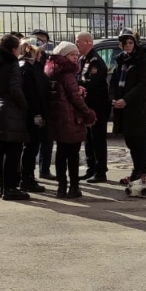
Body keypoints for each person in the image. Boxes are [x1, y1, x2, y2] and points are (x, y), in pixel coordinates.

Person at [45, 41, 98, 198]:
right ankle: (74, 187)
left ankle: (61, 188)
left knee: (61, 153)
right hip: (70, 118)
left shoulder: (51, 70)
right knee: (73, 155)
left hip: (57, 118)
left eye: (76, 54)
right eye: (72, 54)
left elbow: (62, 92)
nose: (76, 57)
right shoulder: (67, 73)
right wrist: (88, 113)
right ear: (63, 55)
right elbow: (74, 97)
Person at [0, 33, 30, 201]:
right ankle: (10, 189)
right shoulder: (12, 64)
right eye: (19, 48)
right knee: (13, 153)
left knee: (2, 152)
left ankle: (4, 188)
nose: (20, 52)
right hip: (11, 111)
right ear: (13, 49)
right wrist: (25, 107)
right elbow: (16, 89)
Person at [108, 28, 146, 185]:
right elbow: (114, 82)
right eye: (124, 43)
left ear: (135, 43)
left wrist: (126, 100)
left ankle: (144, 174)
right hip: (123, 108)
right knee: (130, 141)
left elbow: (144, 85)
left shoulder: (143, 61)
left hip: (137, 108)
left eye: (130, 42)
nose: (127, 45)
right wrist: (113, 98)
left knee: (139, 141)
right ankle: (136, 171)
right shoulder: (120, 60)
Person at [75, 31, 110, 183]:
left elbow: (91, 83)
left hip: (97, 105)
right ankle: (91, 168)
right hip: (87, 105)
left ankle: (100, 171)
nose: (76, 44)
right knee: (88, 138)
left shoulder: (95, 61)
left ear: (88, 42)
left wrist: (77, 87)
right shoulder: (83, 59)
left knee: (98, 138)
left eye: (78, 42)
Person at [17, 38, 50, 194]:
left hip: (31, 114)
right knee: (30, 148)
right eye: (38, 51)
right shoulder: (26, 69)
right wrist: (36, 114)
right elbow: (31, 95)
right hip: (31, 115)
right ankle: (26, 178)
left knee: (32, 147)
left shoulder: (29, 67)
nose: (40, 55)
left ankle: (28, 176)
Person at [31, 28, 57, 180]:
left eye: (43, 41)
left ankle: (44, 170)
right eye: (37, 41)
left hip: (47, 104)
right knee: (32, 143)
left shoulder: (48, 60)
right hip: (33, 106)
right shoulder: (27, 59)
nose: (40, 44)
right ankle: (27, 173)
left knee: (47, 141)